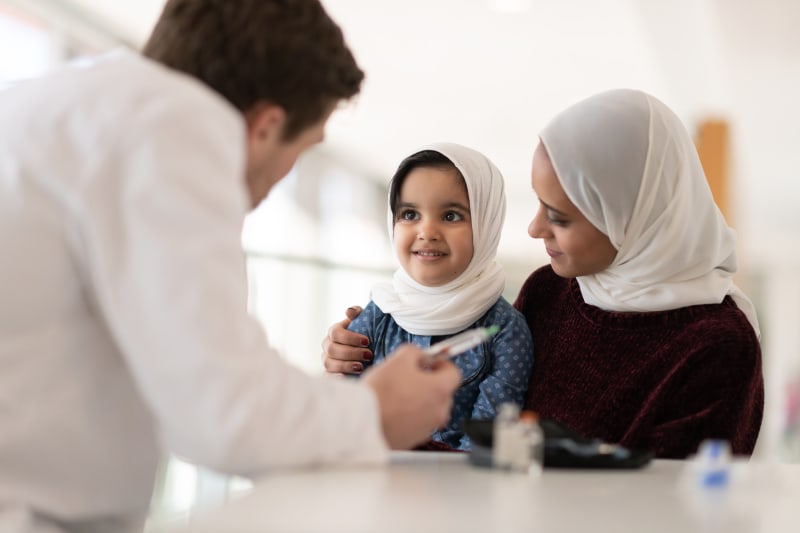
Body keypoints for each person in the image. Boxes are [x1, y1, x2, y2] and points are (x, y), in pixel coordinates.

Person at [0, 1, 460, 532]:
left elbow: (194, 386)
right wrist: (375, 412)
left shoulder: (58, 108)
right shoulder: (172, 124)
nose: (281, 179)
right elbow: (223, 413)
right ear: (265, 127)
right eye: (303, 149)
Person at [322, 88, 764, 459]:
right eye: (537, 204)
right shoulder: (550, 290)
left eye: (559, 217)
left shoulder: (719, 347)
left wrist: (389, 435)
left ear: (631, 218)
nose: (534, 229)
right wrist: (349, 352)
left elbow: (670, 506)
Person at [346, 143, 533, 451]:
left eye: (450, 215)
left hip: (458, 490)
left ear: (486, 224)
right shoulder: (379, 312)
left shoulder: (506, 330)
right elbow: (345, 410)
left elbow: (485, 439)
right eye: (409, 214)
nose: (427, 231)